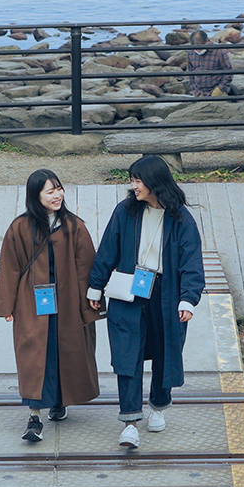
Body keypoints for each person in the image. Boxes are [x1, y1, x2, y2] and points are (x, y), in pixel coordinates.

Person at [87, 155, 205, 449]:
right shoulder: (125, 211)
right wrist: (95, 288)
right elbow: (107, 251)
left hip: (165, 295)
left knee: (167, 352)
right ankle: (129, 422)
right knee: (127, 355)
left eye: (138, 180)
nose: (133, 185)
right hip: (128, 293)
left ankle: (158, 405)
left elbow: (192, 263)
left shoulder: (181, 219)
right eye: (132, 179)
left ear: (155, 182)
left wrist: (188, 300)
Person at [0, 170, 102, 443]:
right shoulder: (20, 227)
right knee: (34, 355)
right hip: (32, 303)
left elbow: (86, 268)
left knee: (63, 350)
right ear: (36, 196)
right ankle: (34, 417)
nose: (57, 195)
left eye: (59, 189)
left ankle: (60, 401)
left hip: (68, 303)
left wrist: (89, 307)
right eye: (49, 191)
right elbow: (9, 267)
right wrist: (7, 305)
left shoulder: (74, 226)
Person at [184, 29, 233, 96]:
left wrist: (220, 88)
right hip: (199, 91)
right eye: (195, 48)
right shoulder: (191, 52)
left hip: (217, 90)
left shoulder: (220, 51)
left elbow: (229, 72)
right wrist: (195, 90)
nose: (198, 50)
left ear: (208, 41)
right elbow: (190, 72)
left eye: (200, 48)